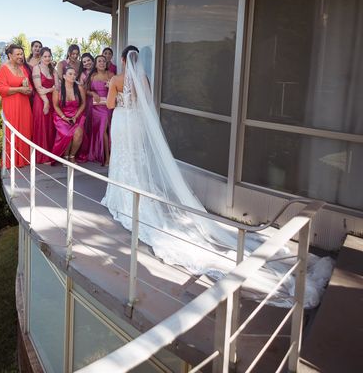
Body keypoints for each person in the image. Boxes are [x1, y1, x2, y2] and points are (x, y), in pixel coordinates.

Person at [102, 45, 333, 308]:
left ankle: (122, 197)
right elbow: (146, 104)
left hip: (122, 122)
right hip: (139, 125)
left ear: (122, 60)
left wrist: (115, 94)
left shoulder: (117, 80)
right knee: (137, 161)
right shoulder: (144, 79)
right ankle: (140, 195)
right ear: (138, 61)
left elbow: (110, 104)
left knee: (123, 159)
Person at [0, 44, 33, 168]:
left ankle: (22, 160)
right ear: (10, 55)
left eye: (21, 54)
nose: (20, 56)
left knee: (25, 131)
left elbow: (29, 87)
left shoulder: (23, 69)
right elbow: (0, 88)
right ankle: (10, 163)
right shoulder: (4, 69)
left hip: (24, 106)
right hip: (11, 105)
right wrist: (19, 89)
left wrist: (28, 90)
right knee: (12, 132)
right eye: (17, 54)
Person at [51, 66, 86, 163]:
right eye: (70, 74)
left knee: (78, 133)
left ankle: (72, 155)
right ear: (64, 76)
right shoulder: (58, 89)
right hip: (61, 115)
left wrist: (76, 116)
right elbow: (56, 106)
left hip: (76, 114)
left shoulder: (79, 88)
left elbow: (83, 103)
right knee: (67, 134)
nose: (73, 76)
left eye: (74, 74)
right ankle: (65, 157)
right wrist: (64, 117)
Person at [86, 55, 114, 165]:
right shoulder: (92, 76)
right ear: (95, 64)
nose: (102, 63)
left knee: (104, 131)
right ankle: (101, 154)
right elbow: (86, 90)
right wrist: (93, 93)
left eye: (103, 61)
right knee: (101, 132)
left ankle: (108, 158)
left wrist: (110, 87)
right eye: (99, 61)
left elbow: (117, 90)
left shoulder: (111, 75)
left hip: (107, 107)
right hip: (95, 108)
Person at [32, 47, 56, 164]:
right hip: (41, 101)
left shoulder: (53, 70)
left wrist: (49, 90)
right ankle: (42, 156)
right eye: (45, 56)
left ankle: (51, 154)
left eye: (49, 56)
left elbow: (57, 86)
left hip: (52, 101)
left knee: (50, 127)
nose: (47, 58)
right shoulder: (36, 68)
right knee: (42, 127)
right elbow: (38, 88)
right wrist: (46, 101)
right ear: (40, 57)